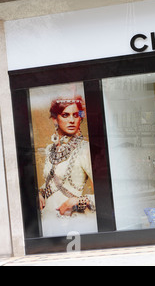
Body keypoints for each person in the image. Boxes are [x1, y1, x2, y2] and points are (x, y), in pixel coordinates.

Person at [39, 96, 97, 237]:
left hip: (73, 221)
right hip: (48, 221)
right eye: (65, 115)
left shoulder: (85, 149)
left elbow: (104, 193)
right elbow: (51, 182)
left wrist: (76, 201)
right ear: (55, 119)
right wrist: (40, 193)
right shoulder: (49, 150)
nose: (71, 120)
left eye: (75, 115)